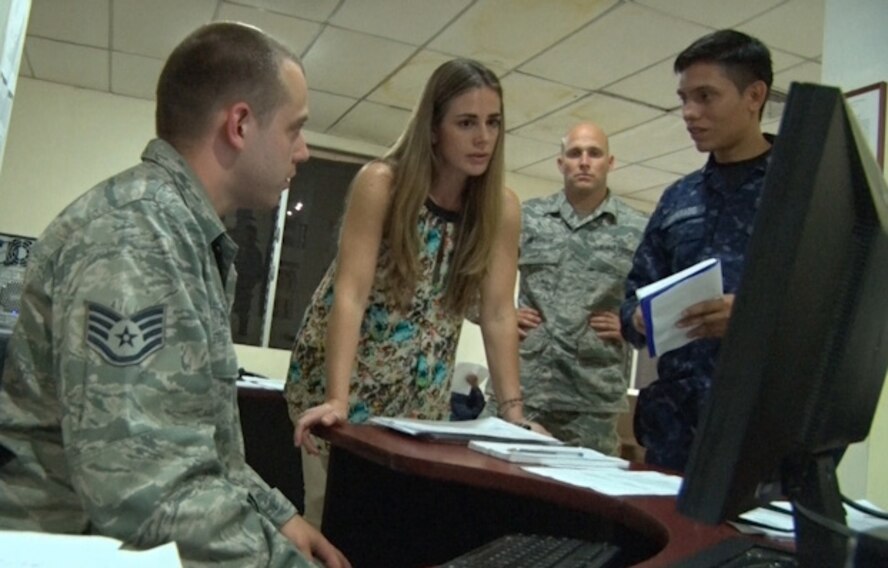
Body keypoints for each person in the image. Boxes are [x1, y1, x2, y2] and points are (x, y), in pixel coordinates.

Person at [0, 22, 349, 568]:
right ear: (239, 124)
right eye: (295, 129)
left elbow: (198, 442)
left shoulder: (182, 231)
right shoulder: (137, 236)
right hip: (68, 546)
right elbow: (144, 490)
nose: (303, 151)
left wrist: (278, 515)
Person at [285, 58, 546, 528]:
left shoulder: (499, 208)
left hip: (419, 399)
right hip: (346, 378)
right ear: (433, 130)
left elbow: (497, 313)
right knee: (332, 520)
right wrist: (338, 399)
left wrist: (514, 413)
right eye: (466, 123)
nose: (483, 138)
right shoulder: (383, 184)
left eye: (493, 124)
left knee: (395, 529)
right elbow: (351, 292)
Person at [619, 29, 775, 472]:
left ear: (754, 95)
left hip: (761, 435)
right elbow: (630, 301)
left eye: (705, 96)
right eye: (684, 98)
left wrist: (752, 318)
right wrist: (637, 317)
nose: (689, 113)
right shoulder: (678, 200)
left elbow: (834, 312)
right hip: (675, 433)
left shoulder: (800, 194)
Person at [515, 122, 647, 456]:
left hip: (593, 401)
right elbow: (476, 280)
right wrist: (502, 317)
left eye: (594, 153)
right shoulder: (527, 217)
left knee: (585, 501)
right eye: (574, 154)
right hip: (524, 389)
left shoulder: (637, 229)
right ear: (561, 163)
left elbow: (661, 301)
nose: (584, 161)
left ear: (610, 162)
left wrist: (631, 324)